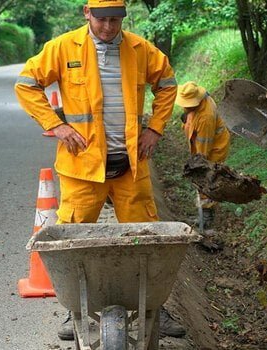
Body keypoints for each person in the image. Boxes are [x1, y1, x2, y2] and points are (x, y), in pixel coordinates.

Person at [14, 0, 185, 341]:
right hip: (82, 167)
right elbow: (26, 83)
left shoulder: (140, 49)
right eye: (102, 19)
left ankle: (154, 307)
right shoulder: (63, 48)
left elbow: (166, 84)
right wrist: (56, 125)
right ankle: (73, 311)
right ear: (87, 14)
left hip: (130, 166)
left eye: (115, 20)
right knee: (73, 240)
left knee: (149, 238)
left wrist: (155, 128)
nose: (109, 27)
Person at [175, 81, 230, 230]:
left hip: (214, 149)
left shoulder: (205, 118)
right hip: (205, 143)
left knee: (206, 177)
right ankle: (204, 211)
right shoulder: (200, 100)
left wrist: (197, 166)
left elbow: (203, 151)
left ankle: (207, 215)